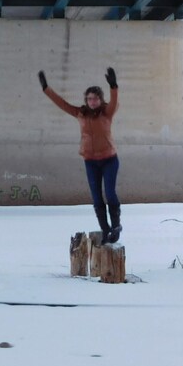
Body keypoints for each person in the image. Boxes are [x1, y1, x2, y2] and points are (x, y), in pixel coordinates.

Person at [38, 67, 123, 244]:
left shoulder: (107, 112)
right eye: (89, 99)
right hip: (90, 161)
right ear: (86, 100)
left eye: (95, 98)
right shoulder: (80, 113)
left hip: (109, 159)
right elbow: (62, 104)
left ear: (100, 100)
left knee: (110, 192)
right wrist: (46, 88)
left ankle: (116, 226)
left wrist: (113, 86)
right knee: (96, 197)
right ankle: (105, 229)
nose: (92, 101)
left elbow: (114, 102)